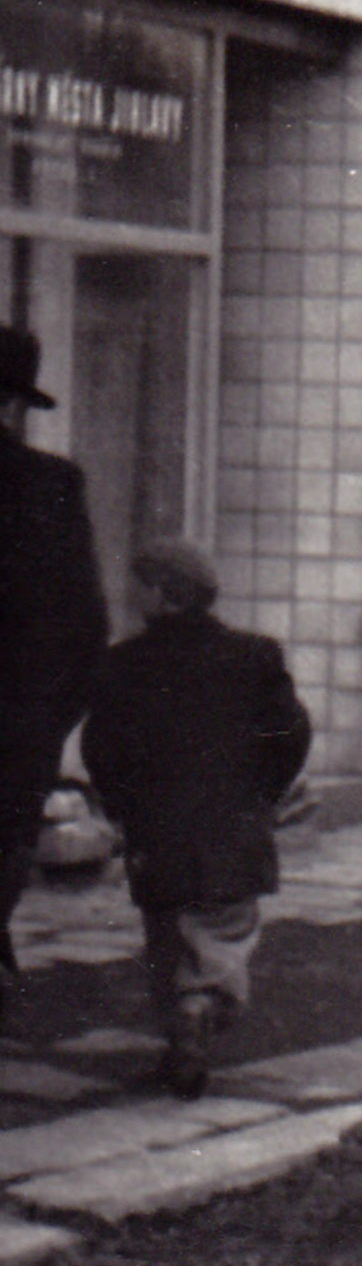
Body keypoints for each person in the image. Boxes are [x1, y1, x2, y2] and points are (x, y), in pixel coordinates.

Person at [81, 541, 311, 1100]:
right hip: (234, 825)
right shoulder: (256, 655)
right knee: (226, 928)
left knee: (166, 931)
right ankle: (203, 1004)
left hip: (157, 829)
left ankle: (181, 1024)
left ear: (166, 594)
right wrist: (262, 793)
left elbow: (101, 748)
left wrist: (122, 805)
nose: (132, 594)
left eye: (141, 584)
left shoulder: (122, 663)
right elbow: (290, 733)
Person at [0, 326, 107, 1001]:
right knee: (8, 836)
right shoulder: (53, 483)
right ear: (14, 405)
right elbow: (86, 617)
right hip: (21, 715)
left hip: (27, 711)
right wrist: (57, 712)